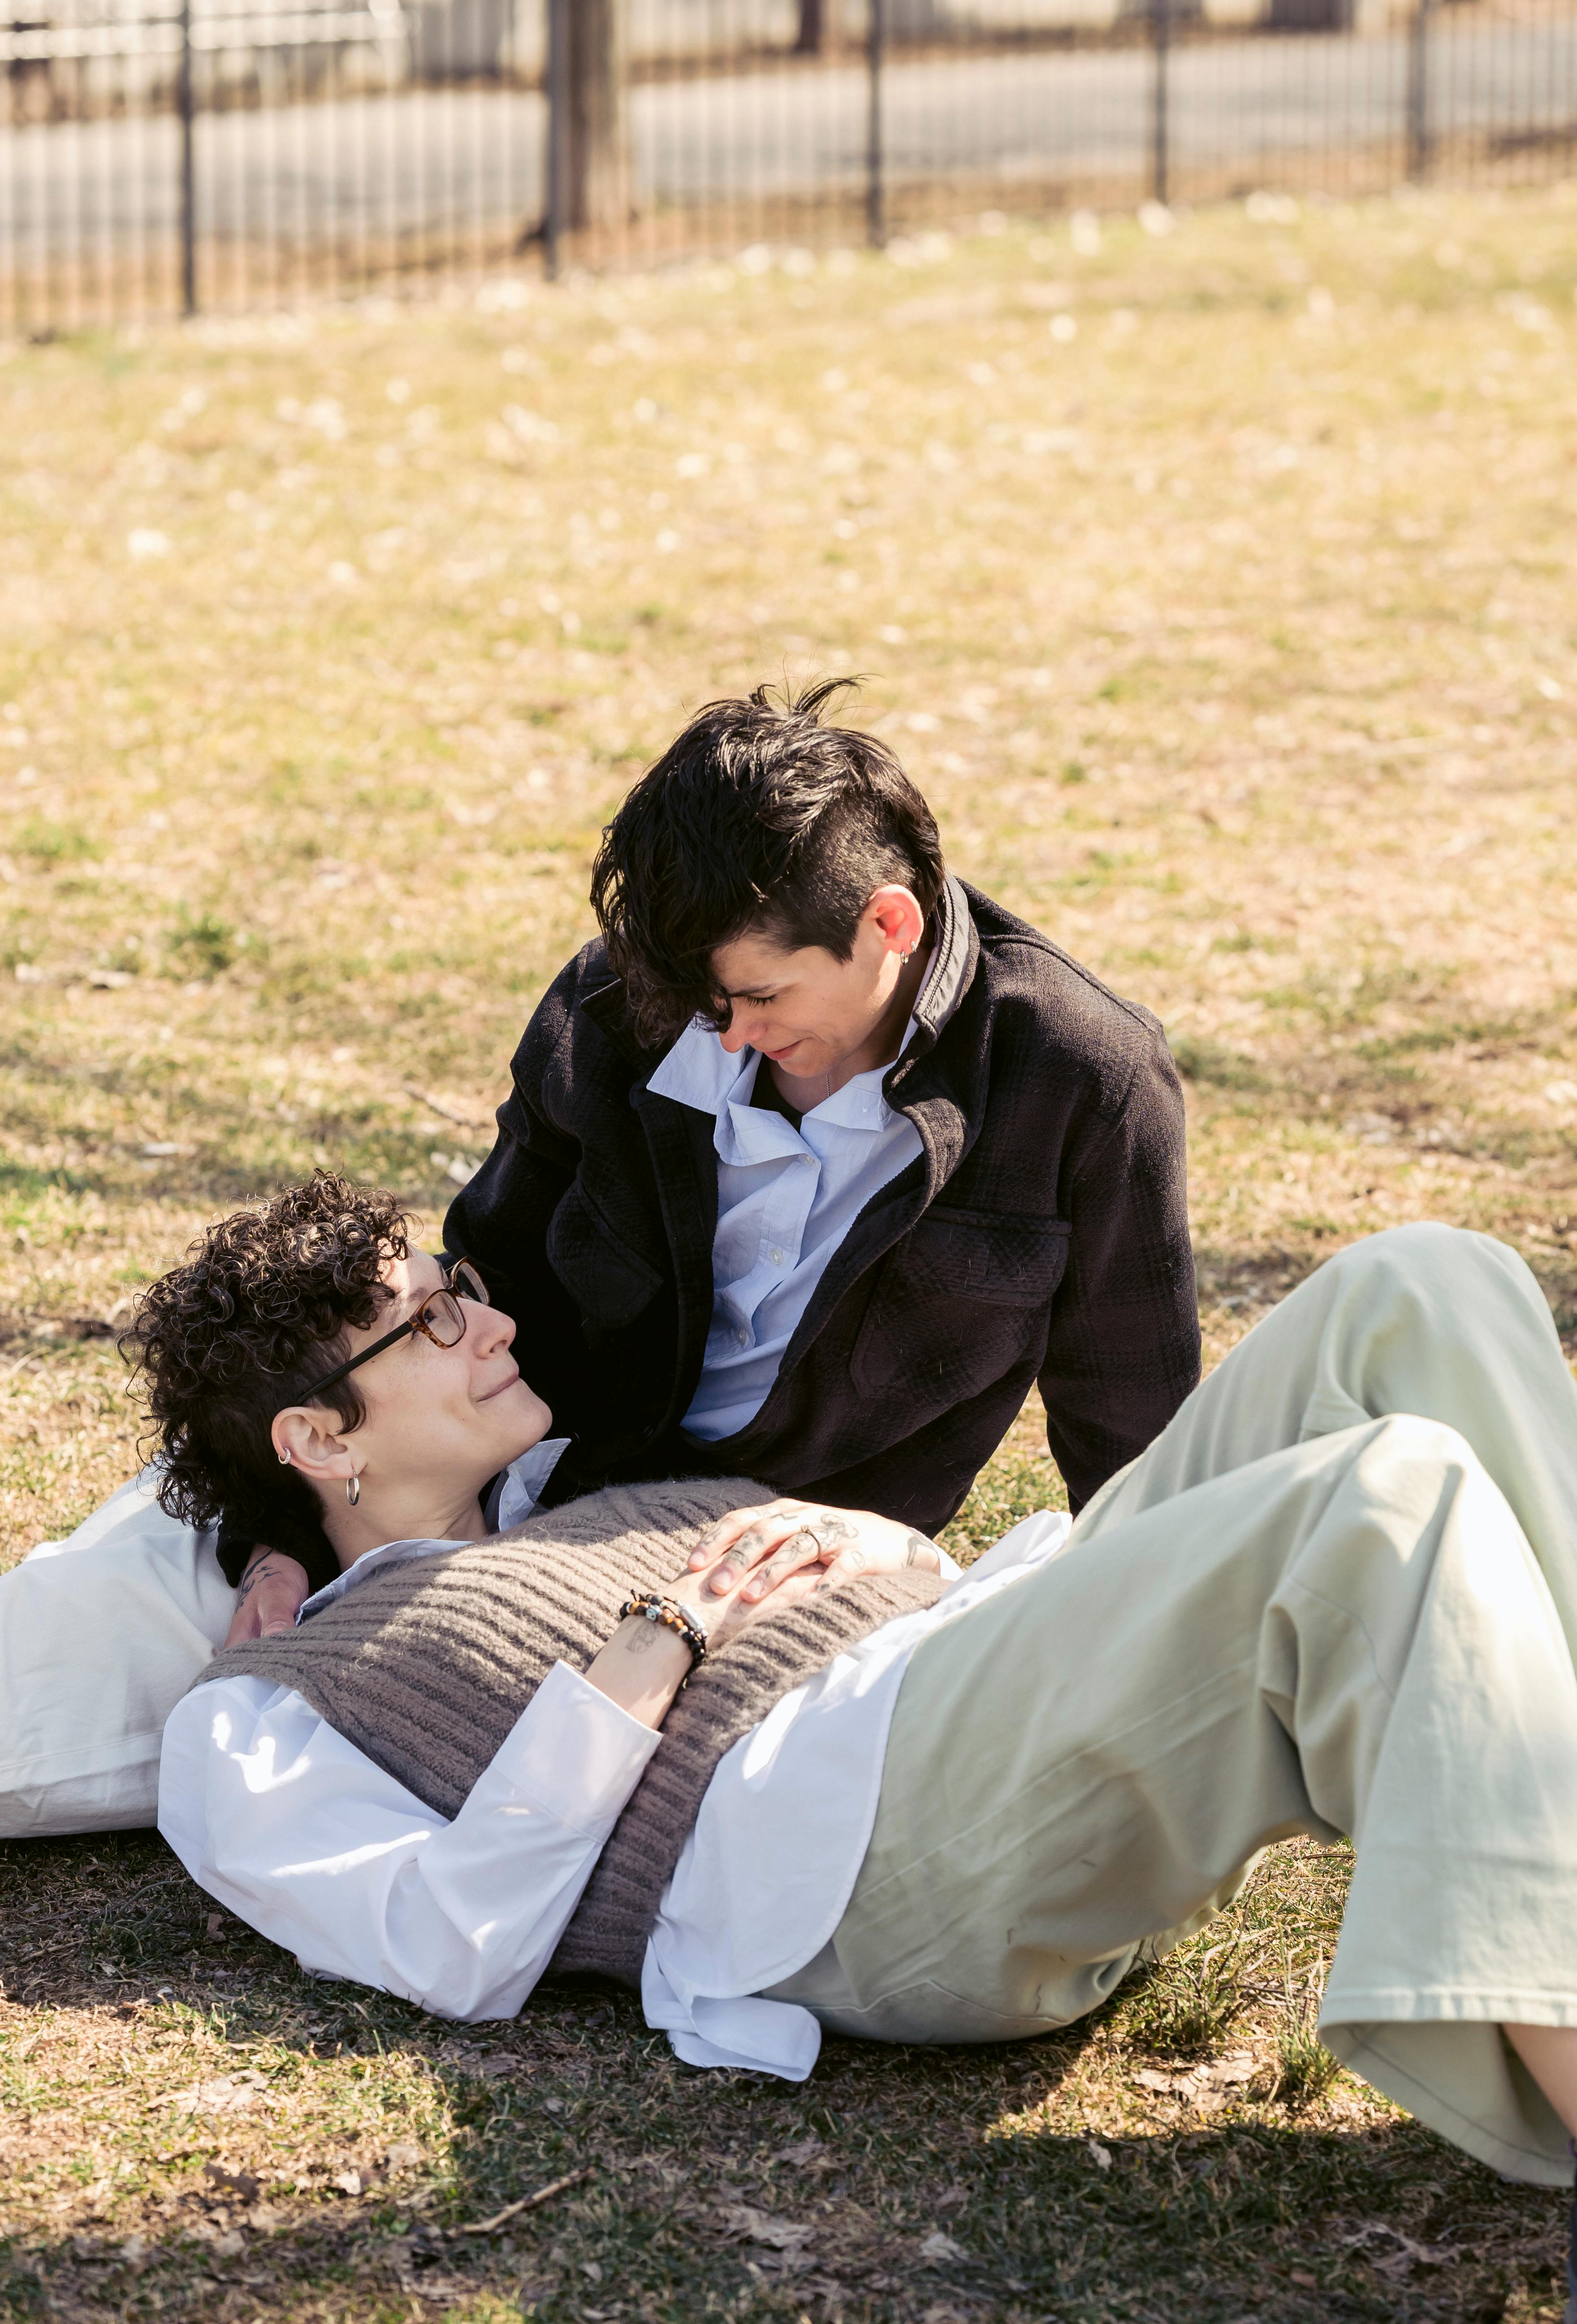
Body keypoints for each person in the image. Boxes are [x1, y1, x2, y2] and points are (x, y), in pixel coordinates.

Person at [148, 1175, 1577, 2203]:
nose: (490, 1325)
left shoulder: (577, 1494)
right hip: (849, 1857)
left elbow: (890, 1594)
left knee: (1426, 1284)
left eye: (461, 1294)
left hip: (961, 1677)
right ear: (316, 1439)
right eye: (430, 1326)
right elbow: (450, 1941)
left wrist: (877, 1542)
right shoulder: (259, 1713)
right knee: (1386, 1500)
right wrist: (660, 1640)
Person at [0, 678, 1199, 1835]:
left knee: (308, 1734)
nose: (729, 1039)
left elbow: (1135, 1438)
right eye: (696, 1002)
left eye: (760, 997)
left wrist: (1150, 1703)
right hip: (497, 1498)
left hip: (762, 1582)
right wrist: (280, 1531)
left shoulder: (1084, 1083)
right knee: (129, 1603)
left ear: (890, 925)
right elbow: (487, 1284)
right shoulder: (623, 1008)